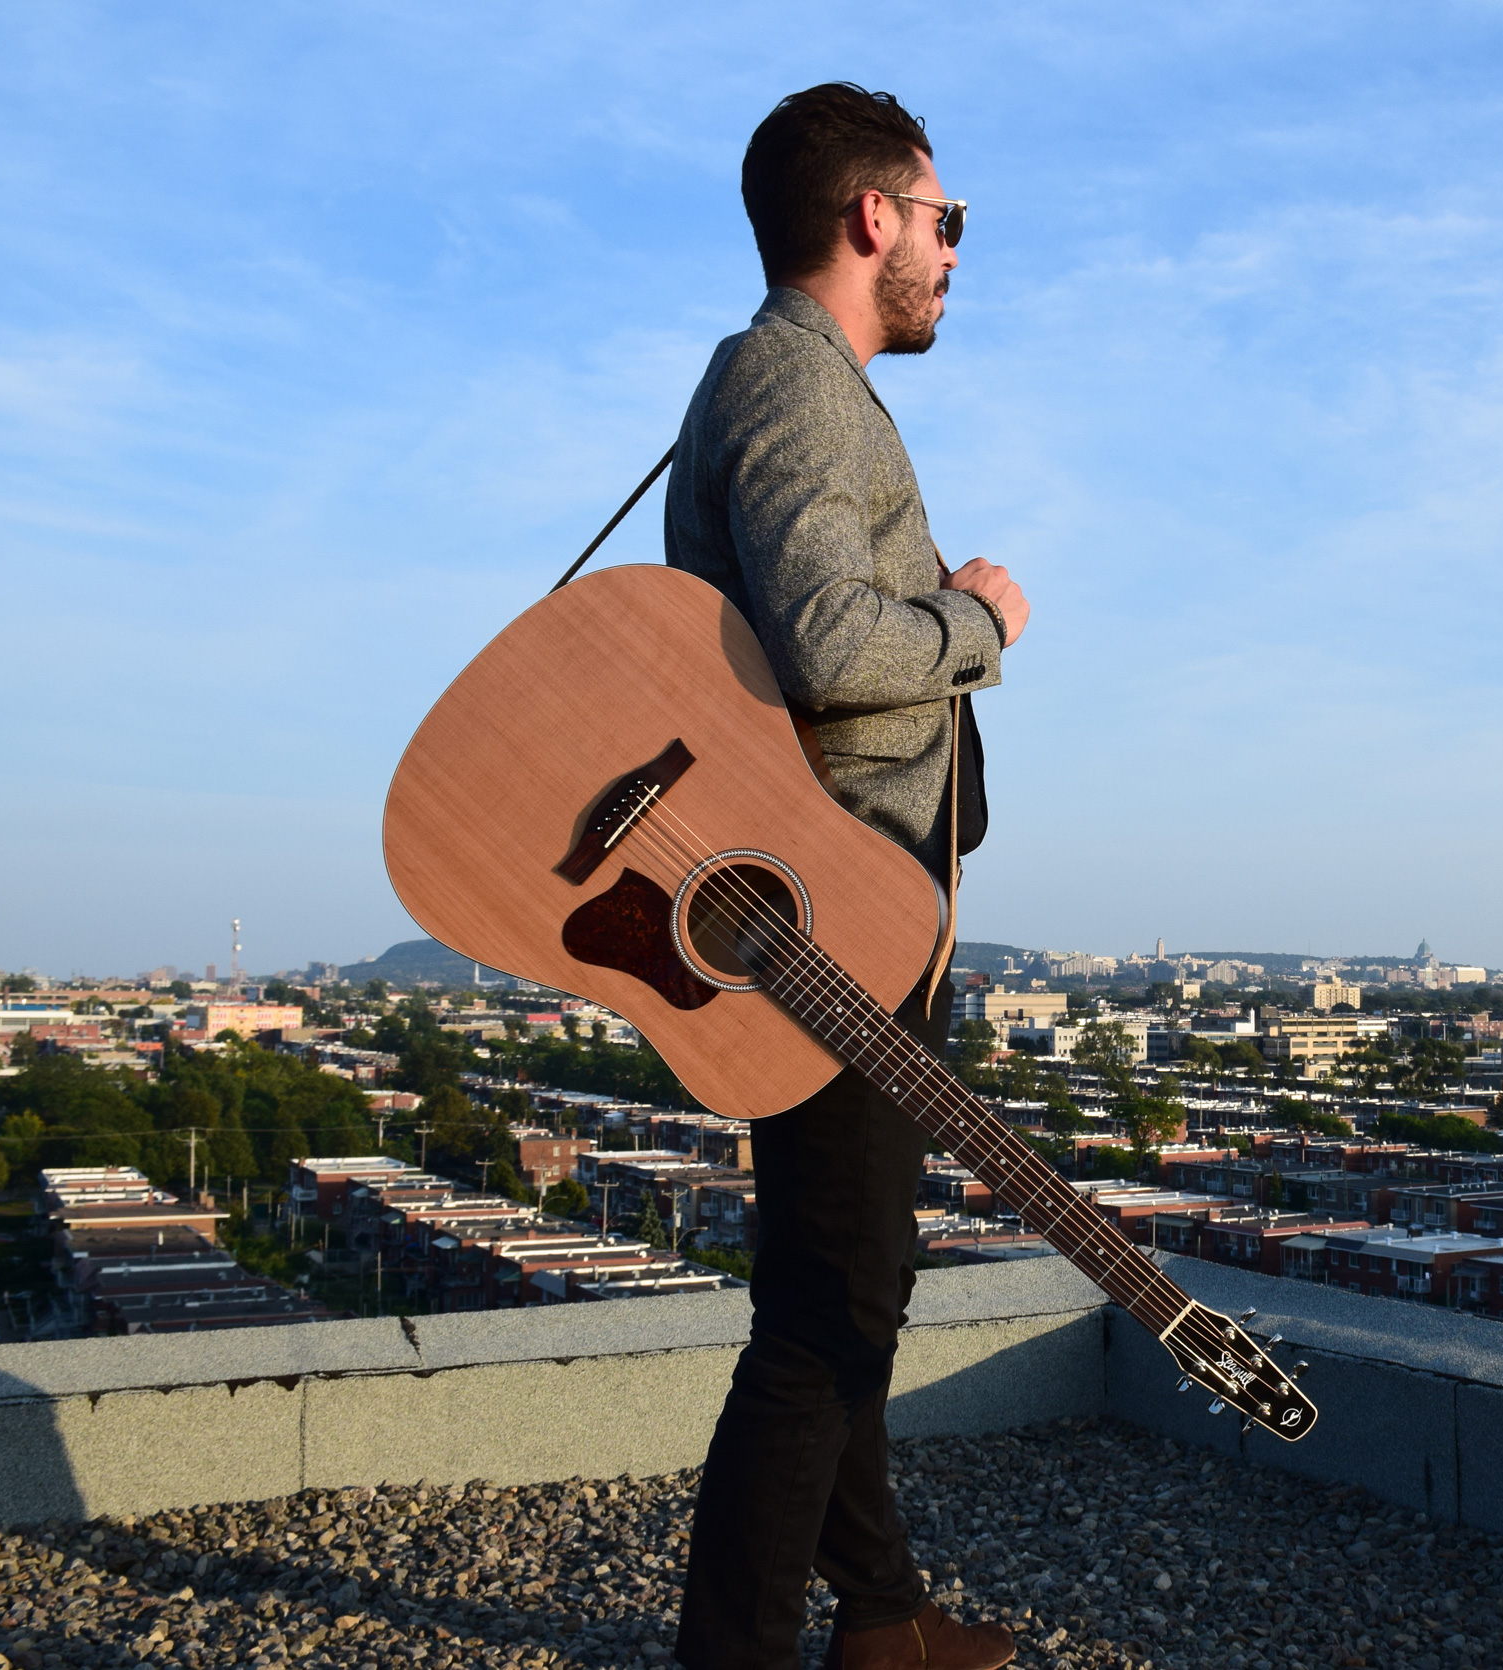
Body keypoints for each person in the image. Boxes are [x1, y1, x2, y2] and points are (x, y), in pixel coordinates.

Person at [662, 83, 1029, 1670]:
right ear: (873, 217)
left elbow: (795, 622)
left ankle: (879, 1620)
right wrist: (980, 622)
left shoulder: (786, 385)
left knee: (842, 1283)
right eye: (947, 220)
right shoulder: (794, 387)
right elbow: (825, 644)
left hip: (855, 918)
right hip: (832, 930)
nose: (954, 252)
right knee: (829, 1315)